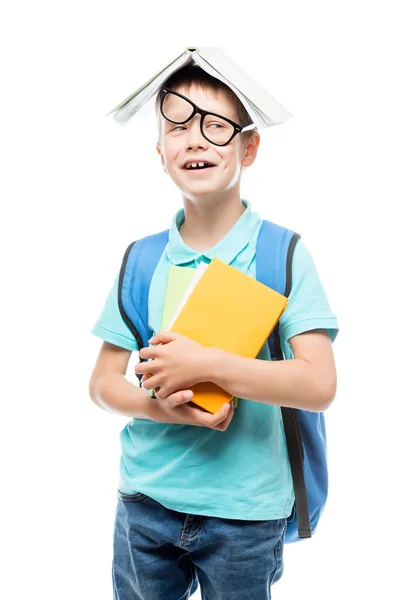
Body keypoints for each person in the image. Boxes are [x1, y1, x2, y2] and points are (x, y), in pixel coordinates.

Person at [89, 65, 339, 599]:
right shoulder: (142, 258)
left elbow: (318, 385)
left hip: (245, 514)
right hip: (144, 504)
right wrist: (163, 407)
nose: (194, 139)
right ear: (160, 153)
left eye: (215, 125)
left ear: (248, 149)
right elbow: (103, 384)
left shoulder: (281, 254)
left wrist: (206, 366)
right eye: (176, 127)